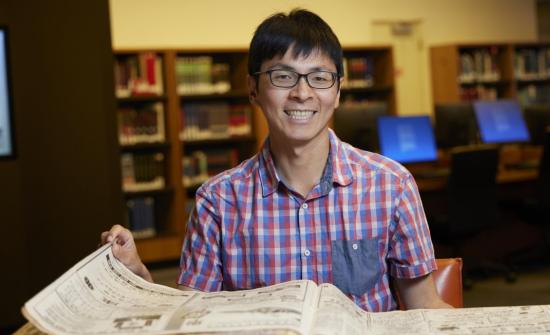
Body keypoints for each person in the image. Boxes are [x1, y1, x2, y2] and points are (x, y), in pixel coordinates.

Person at [102, 9, 451, 312]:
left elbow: (424, 306)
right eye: (283, 76)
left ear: (338, 91)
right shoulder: (218, 201)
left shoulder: (391, 184)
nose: (302, 92)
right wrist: (138, 276)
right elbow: (191, 316)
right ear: (253, 89)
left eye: (319, 77)